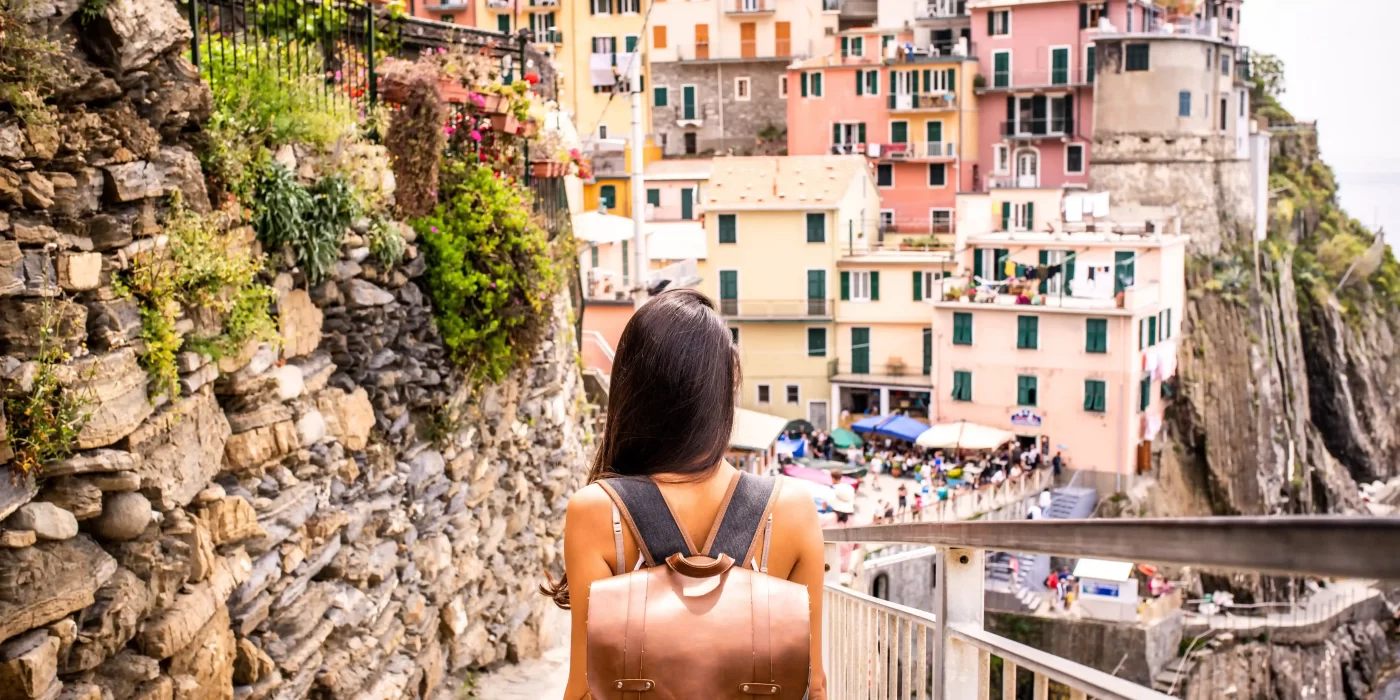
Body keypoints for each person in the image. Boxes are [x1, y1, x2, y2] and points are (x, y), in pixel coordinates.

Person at [550, 290, 827, 700]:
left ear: (631, 389)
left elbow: (585, 688)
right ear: (724, 391)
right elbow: (813, 681)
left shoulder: (596, 509)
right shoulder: (793, 508)